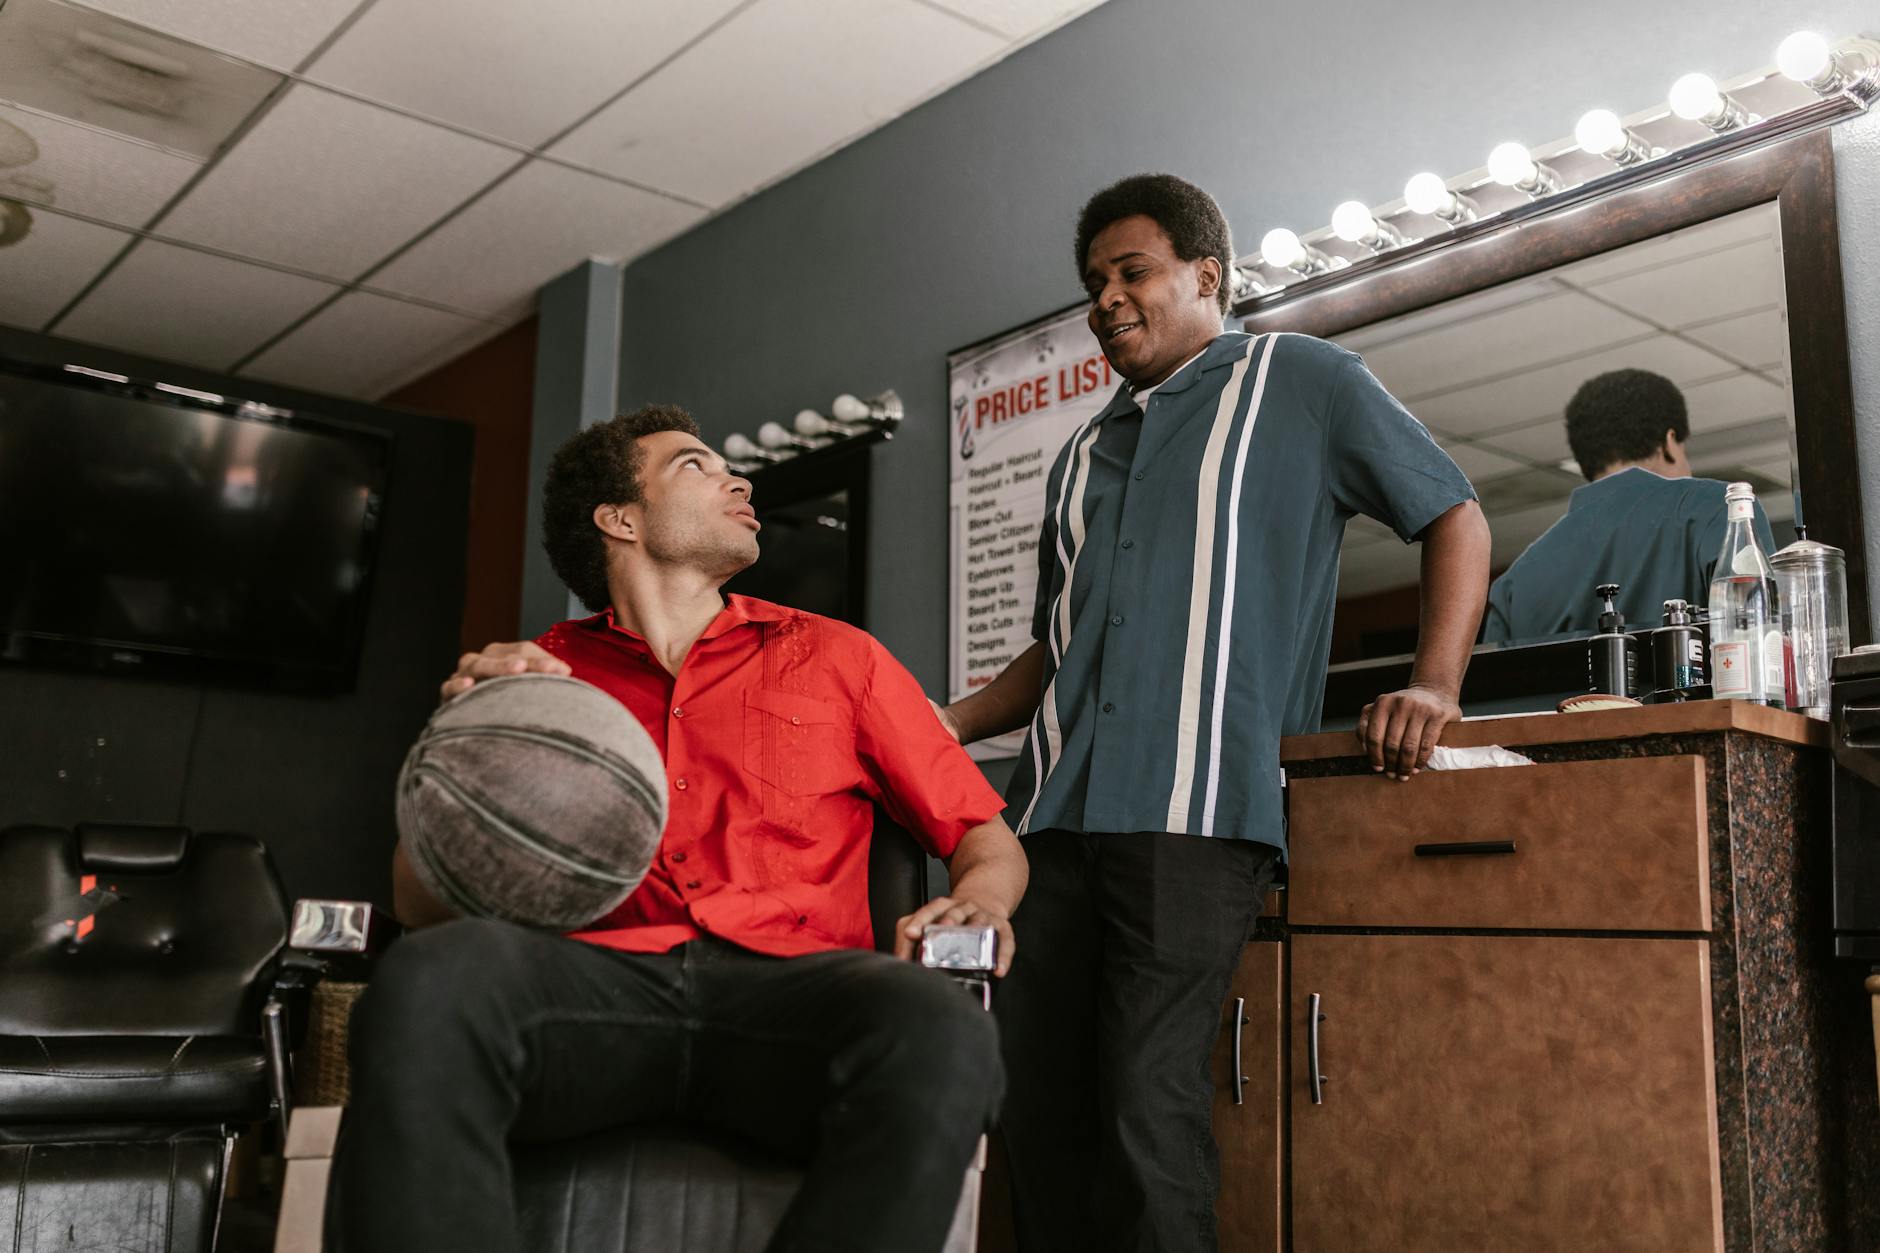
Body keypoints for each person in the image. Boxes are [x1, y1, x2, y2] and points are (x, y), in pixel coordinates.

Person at [933, 173, 1490, 1253]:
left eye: (1130, 272)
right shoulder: (1080, 454)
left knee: (1146, 1107)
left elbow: (1452, 510)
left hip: (1192, 819)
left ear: (1206, 274)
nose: (1105, 299)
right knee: (1036, 1112)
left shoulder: (1303, 378)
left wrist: (1433, 683)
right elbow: (1058, 648)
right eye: (1093, 282)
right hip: (1043, 825)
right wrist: (933, 722)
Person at [332, 405, 1030, 1253]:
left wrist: (981, 905)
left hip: (791, 1001)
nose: (740, 479)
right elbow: (416, 896)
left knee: (942, 1026)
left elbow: (984, 839)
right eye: (696, 466)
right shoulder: (534, 679)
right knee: (430, 977)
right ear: (619, 518)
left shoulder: (843, 657)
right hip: (593, 995)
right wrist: (474, 736)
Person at [1483, 368, 1778, 642]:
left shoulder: (1513, 584)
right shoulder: (1722, 508)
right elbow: (1760, 644)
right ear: (1669, 442)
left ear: (1588, 462)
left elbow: (1495, 690)